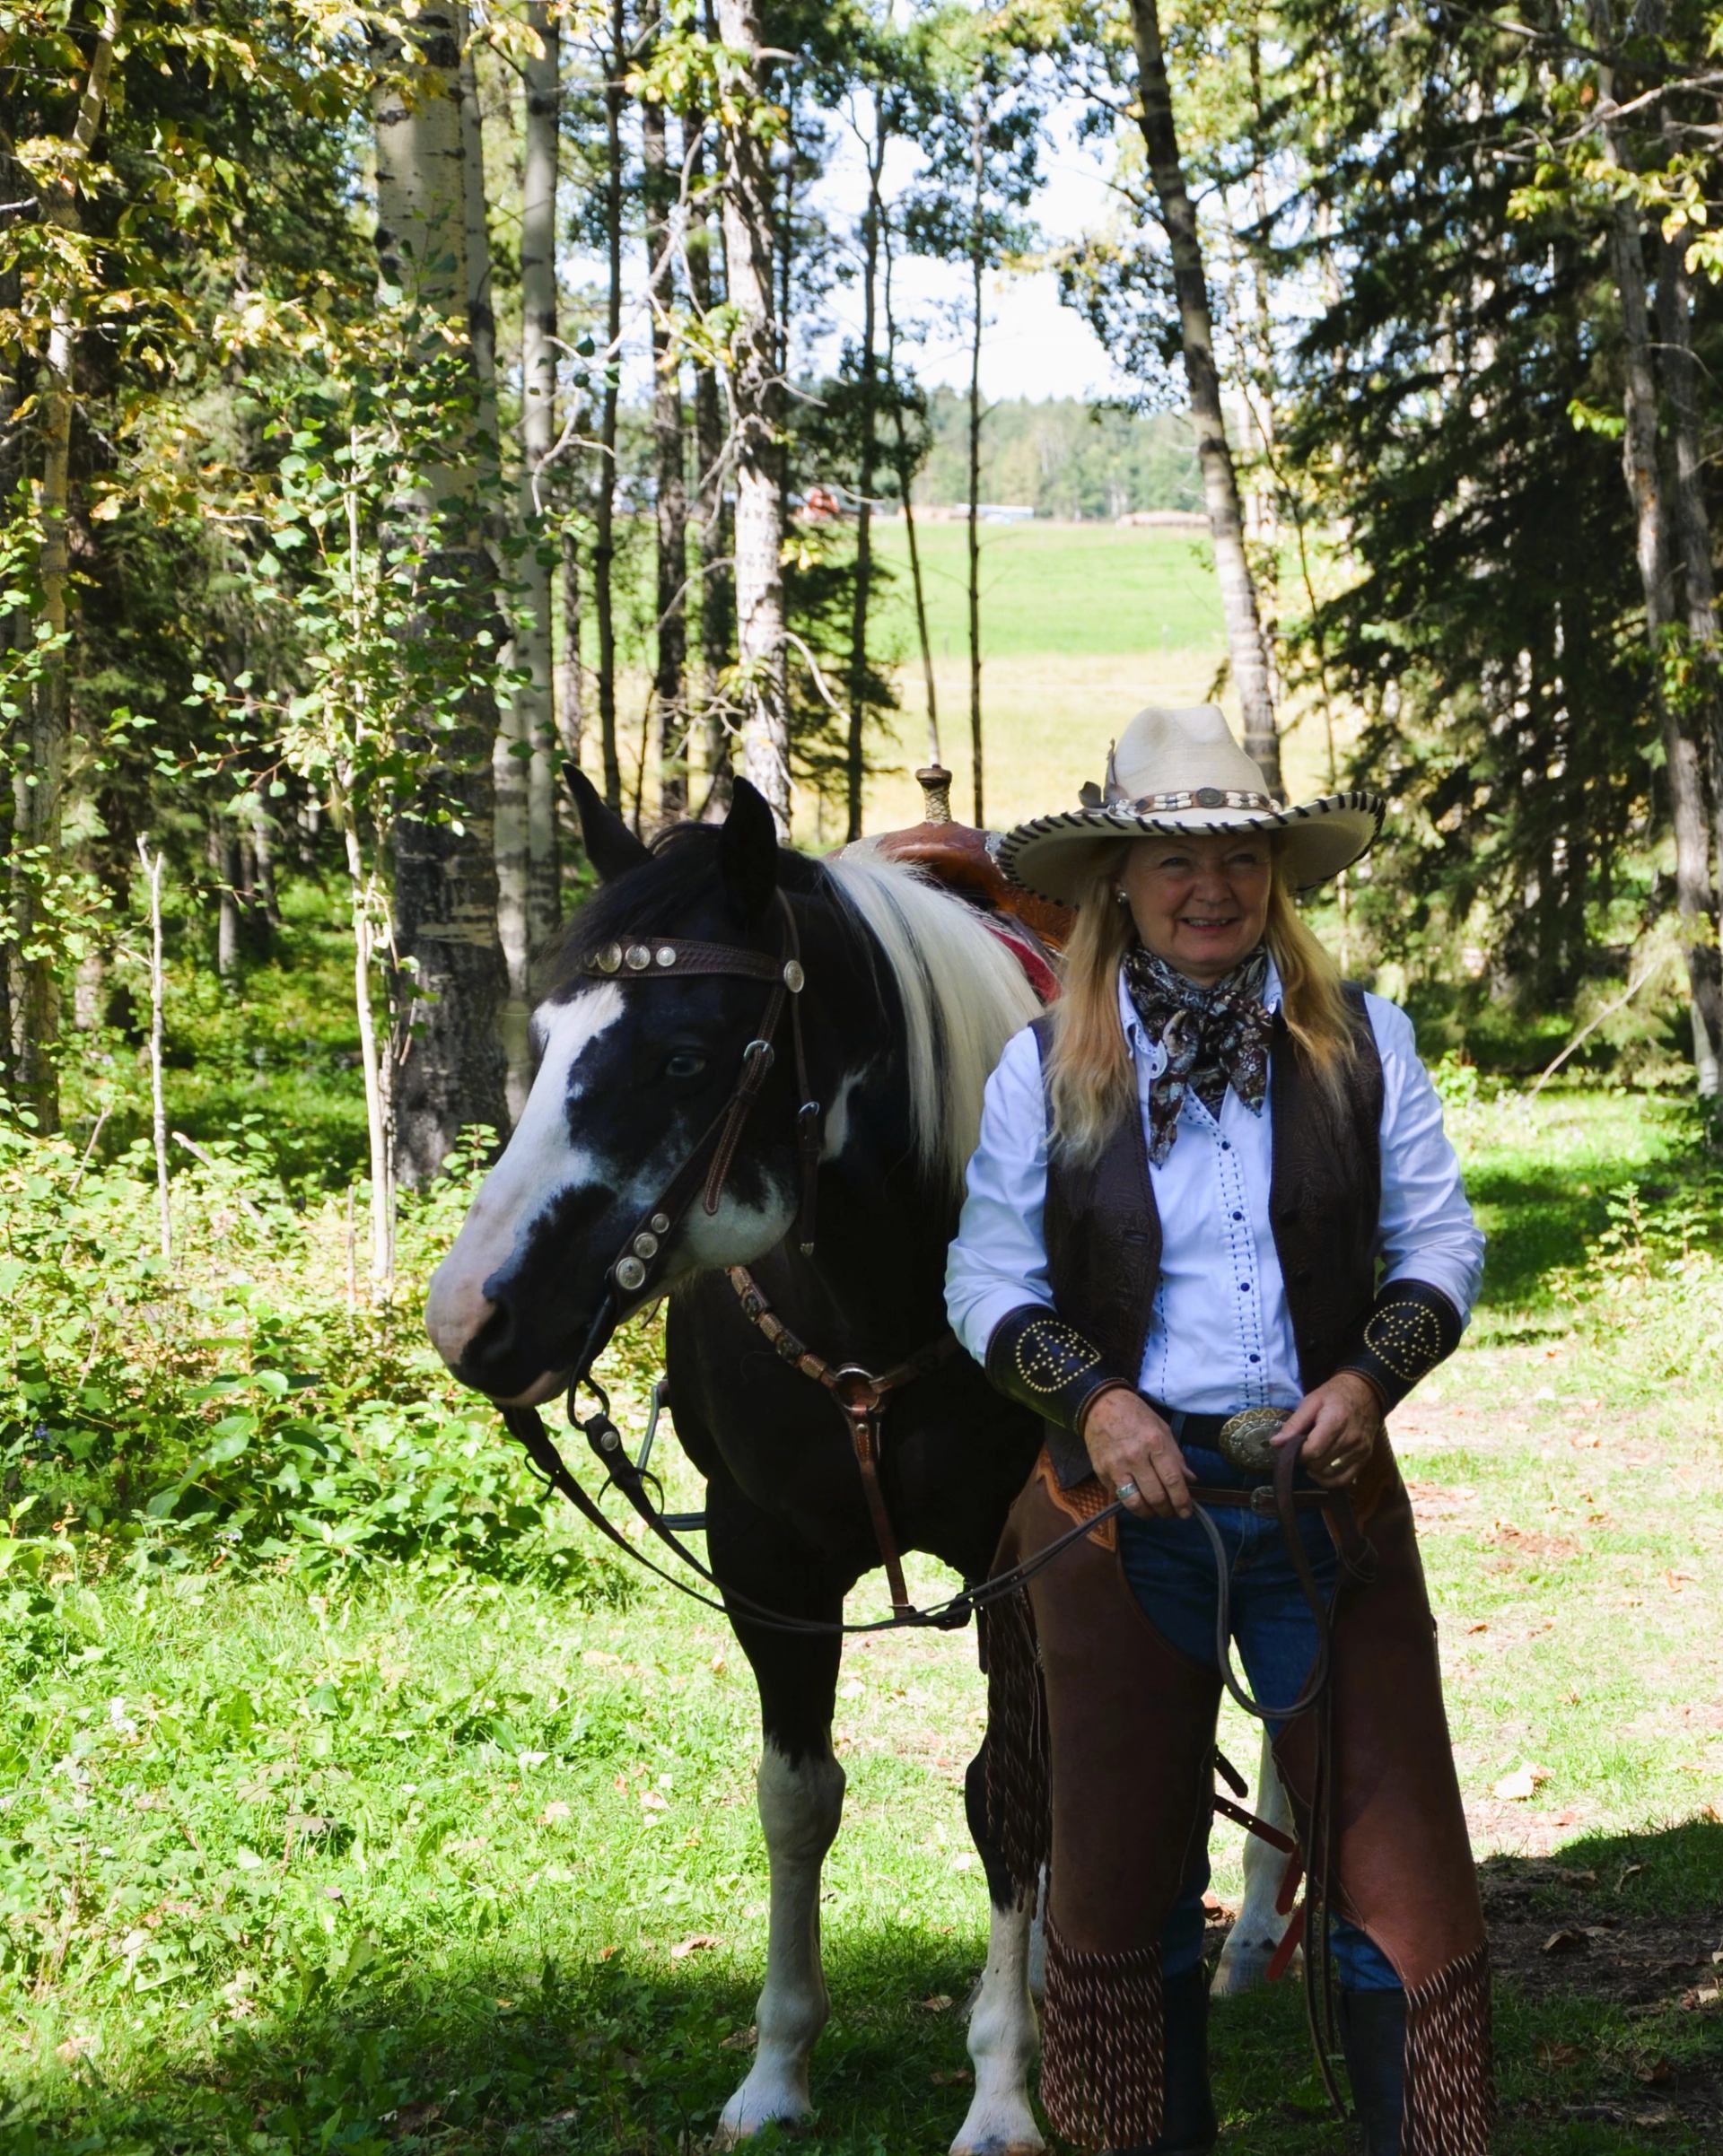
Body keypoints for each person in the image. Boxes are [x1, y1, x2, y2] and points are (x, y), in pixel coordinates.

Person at [946, 705, 1492, 2156]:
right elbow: (986, 1278)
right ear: (1120, 880)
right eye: (1176, 858)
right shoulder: (1040, 1066)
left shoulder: (1365, 1042)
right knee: (1120, 1883)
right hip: (1123, 1514)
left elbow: (1442, 1245)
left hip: (1331, 1504)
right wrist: (1098, 1400)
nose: (1211, 886)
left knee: (1400, 1873)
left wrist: (1369, 1382)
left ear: (1275, 876)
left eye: (1240, 855)